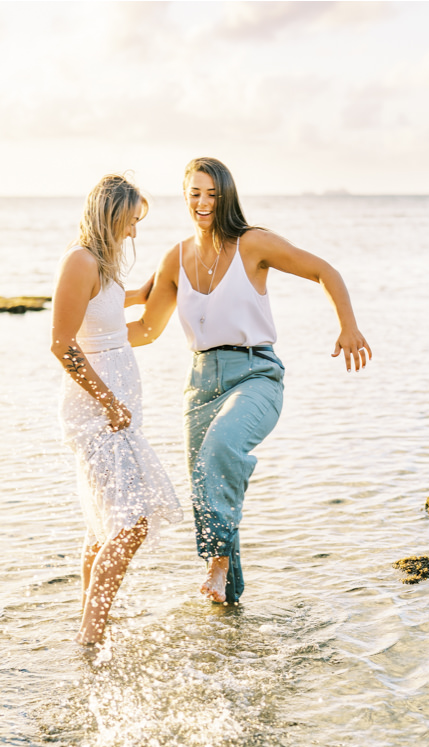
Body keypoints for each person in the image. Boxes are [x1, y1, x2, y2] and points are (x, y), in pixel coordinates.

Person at [128, 157, 372, 605]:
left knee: (220, 450)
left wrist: (348, 326)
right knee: (205, 480)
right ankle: (228, 604)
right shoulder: (175, 258)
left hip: (256, 374)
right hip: (200, 384)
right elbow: (146, 329)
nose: (203, 203)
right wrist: (89, 337)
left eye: (212, 194)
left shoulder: (252, 243)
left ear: (226, 197)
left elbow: (325, 271)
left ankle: (216, 562)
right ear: (185, 197)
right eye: (195, 194)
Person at [51, 174, 182, 646]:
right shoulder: (79, 260)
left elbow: (112, 306)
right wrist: (108, 401)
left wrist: (154, 285)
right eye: (130, 221)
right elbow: (62, 346)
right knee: (131, 525)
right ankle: (91, 634)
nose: (133, 232)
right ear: (112, 214)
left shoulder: (99, 268)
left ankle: (88, 629)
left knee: (101, 527)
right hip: (98, 414)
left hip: (117, 413)